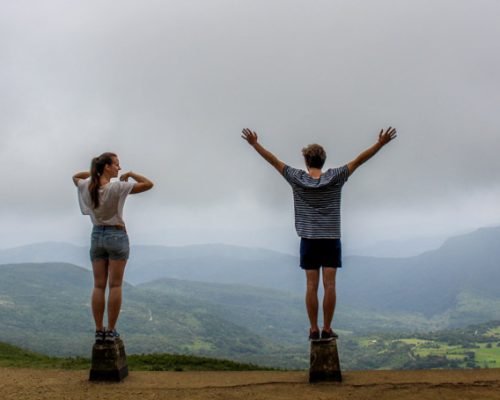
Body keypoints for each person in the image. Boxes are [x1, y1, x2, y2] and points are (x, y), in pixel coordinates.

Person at [241, 127, 397, 340]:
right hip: (331, 238)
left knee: (311, 285)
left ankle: (314, 329)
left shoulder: (297, 178)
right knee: (330, 285)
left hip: (309, 239)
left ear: (306, 161)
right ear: (323, 161)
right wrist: (380, 144)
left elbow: (274, 161)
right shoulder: (335, 177)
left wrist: (255, 144)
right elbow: (359, 161)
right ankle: (327, 328)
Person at [72, 152, 153, 343]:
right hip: (116, 235)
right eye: (116, 164)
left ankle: (99, 330)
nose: (119, 168)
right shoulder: (118, 187)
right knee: (115, 285)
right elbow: (149, 184)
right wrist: (132, 174)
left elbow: (76, 177)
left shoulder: (86, 186)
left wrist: (95, 173)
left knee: (98, 285)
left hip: (96, 235)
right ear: (107, 166)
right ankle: (111, 330)